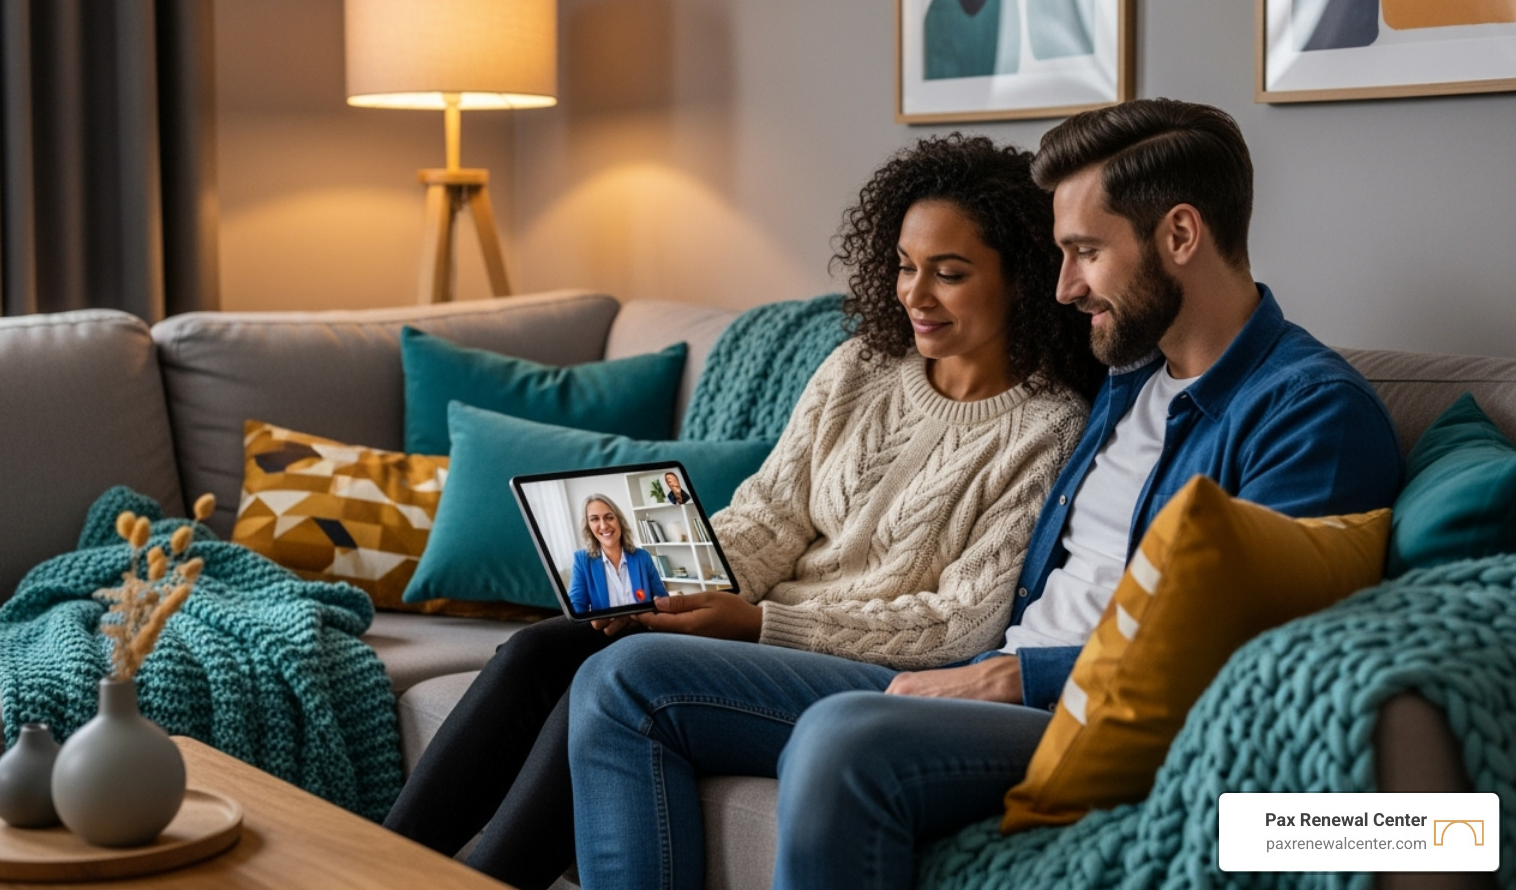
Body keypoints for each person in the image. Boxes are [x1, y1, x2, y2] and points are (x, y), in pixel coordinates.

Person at [567, 99, 1406, 890]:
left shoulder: (1308, 413)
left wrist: (1018, 677)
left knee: (842, 735)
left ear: (1181, 233)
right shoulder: (1132, 375)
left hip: (1082, 714)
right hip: (987, 674)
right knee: (625, 678)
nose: (1065, 286)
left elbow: (1253, 660)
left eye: (1085, 251)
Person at [382, 133, 1102, 889]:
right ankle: (375, 864)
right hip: (765, 627)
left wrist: (760, 623)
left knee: (619, 671)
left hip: (863, 661)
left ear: (1021, 278)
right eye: (904, 266)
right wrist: (682, 580)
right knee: (545, 649)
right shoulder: (862, 365)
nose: (914, 295)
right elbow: (770, 513)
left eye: (949, 275)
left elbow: (963, 623)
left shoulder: (1047, 428)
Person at [567, 494, 669, 613]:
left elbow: (664, 601)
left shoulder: (643, 557)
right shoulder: (582, 561)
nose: (604, 526)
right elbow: (576, 609)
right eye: (594, 519)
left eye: (609, 517)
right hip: (605, 630)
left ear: (619, 521)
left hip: (644, 627)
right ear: (588, 526)